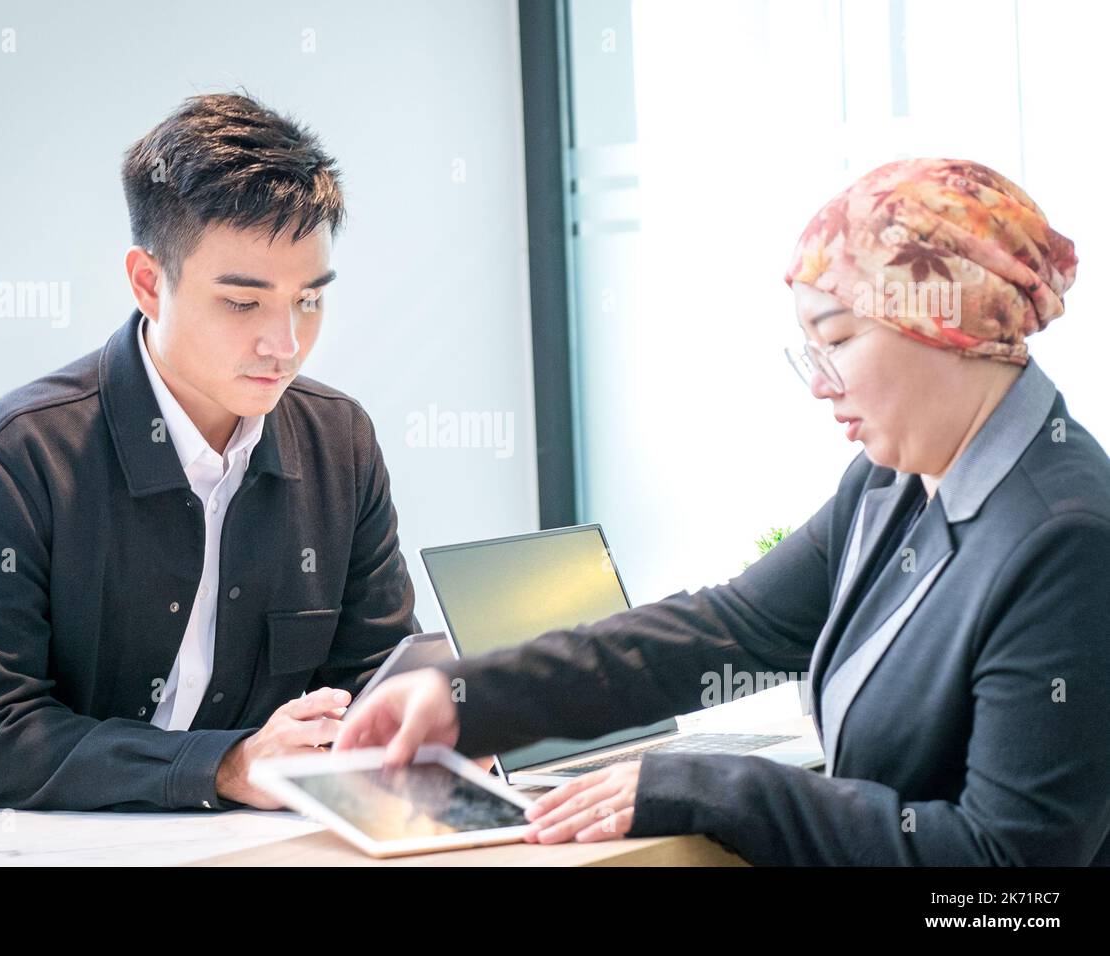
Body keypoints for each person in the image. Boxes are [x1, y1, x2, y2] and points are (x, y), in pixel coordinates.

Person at [337, 158, 1110, 865]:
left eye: (837, 340)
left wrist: (718, 787)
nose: (820, 383)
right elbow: (729, 631)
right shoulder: (891, 487)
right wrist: (465, 699)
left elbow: (1010, 875)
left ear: (949, 327)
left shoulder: (1065, 538)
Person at [0, 92, 418, 822]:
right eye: (243, 303)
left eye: (308, 300)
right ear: (148, 283)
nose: (285, 343)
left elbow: (376, 670)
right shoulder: (12, 457)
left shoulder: (341, 443)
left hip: (218, 843)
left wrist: (432, 727)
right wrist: (226, 766)